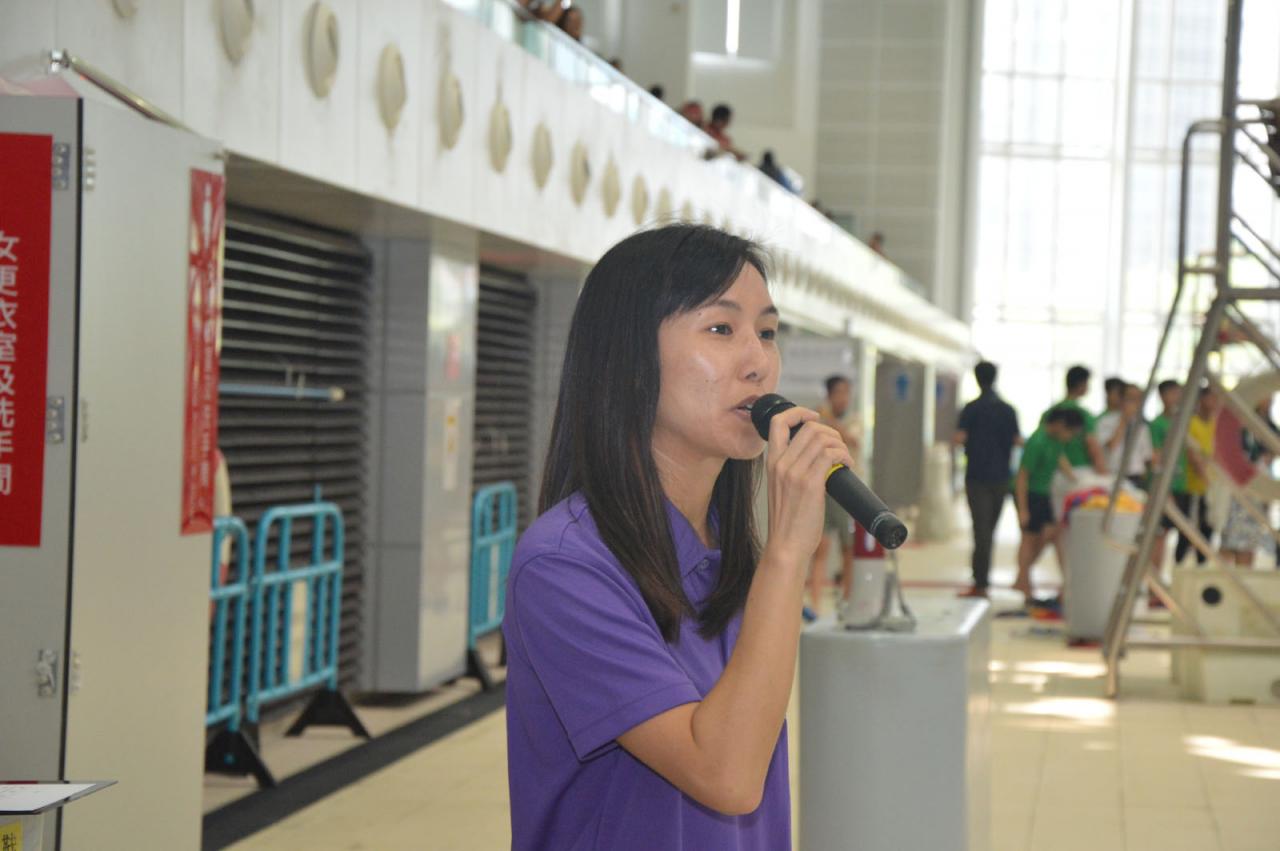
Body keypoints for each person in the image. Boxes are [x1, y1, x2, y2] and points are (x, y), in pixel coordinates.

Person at [504, 224, 850, 849]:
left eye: (767, 332)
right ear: (630, 357)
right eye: (721, 329)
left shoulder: (725, 553)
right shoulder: (565, 565)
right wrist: (788, 555)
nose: (758, 361)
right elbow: (727, 775)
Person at [953, 361, 1021, 599]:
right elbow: (1017, 440)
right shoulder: (1008, 410)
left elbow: (959, 438)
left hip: (977, 477)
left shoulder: (971, 408)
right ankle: (981, 580)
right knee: (989, 531)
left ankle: (980, 583)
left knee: (980, 531)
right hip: (1001, 477)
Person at [806, 374, 864, 617]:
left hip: (849, 492)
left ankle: (848, 602)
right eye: (839, 393)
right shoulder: (817, 419)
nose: (843, 398)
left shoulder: (854, 419)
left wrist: (827, 419)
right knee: (820, 548)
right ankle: (815, 605)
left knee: (848, 549)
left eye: (846, 393)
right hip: (823, 490)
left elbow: (852, 439)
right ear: (829, 395)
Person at [1013, 406, 1085, 602]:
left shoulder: (1056, 441)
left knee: (1053, 534)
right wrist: (1023, 509)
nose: (1070, 437)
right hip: (1031, 494)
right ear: (1060, 425)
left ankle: (1027, 577)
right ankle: (1024, 583)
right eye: (1070, 432)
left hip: (1044, 495)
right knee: (1029, 539)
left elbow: (1060, 459)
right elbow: (1022, 476)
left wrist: (1076, 480)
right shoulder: (1037, 441)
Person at [1219, 394, 1277, 567]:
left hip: (1259, 487)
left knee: (1251, 536)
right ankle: (1226, 572)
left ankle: (1244, 570)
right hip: (1239, 487)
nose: (1269, 401)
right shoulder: (1241, 426)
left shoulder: (1270, 427)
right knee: (1231, 535)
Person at [1149, 379, 1191, 578]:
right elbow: (1156, 458)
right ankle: (1154, 581)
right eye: (1173, 393)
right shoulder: (1157, 425)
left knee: (1181, 535)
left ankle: (1169, 578)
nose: (1177, 398)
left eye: (1179, 393)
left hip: (1182, 485)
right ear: (1163, 396)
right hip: (1166, 487)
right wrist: (1164, 488)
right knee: (1160, 535)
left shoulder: (1181, 422)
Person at [1039, 365, 1107, 474]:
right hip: (1078, 469)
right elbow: (1093, 447)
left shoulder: (1049, 413)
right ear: (1081, 385)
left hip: (1050, 471)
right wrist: (1104, 473)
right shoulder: (1083, 415)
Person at [1179, 384, 1219, 565]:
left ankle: (1201, 566)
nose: (1215, 402)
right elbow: (1193, 456)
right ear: (1201, 399)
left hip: (1210, 487)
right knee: (1186, 532)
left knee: (1207, 530)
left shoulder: (1215, 423)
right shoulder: (1191, 423)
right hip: (1192, 487)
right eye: (1212, 398)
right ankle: (1179, 567)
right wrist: (1207, 480)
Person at [1096, 382, 1153, 488]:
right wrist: (1124, 420)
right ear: (1121, 399)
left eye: (1137, 399)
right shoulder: (1105, 421)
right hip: (1113, 474)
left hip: (1136, 476)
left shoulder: (1142, 426)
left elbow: (1146, 456)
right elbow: (1111, 446)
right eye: (1130, 398)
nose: (1134, 403)